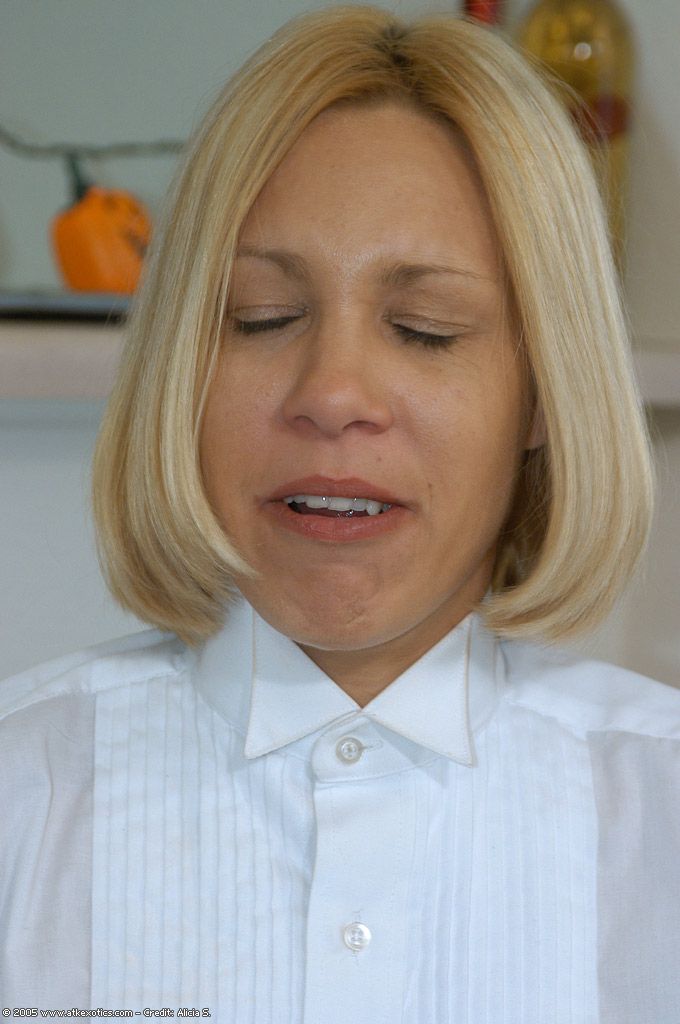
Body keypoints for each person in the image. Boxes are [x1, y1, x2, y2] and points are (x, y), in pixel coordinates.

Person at [1, 5, 678, 1021]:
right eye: (262, 317)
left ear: (543, 394)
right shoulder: (23, 794)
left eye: (425, 329)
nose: (331, 393)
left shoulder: (658, 815)